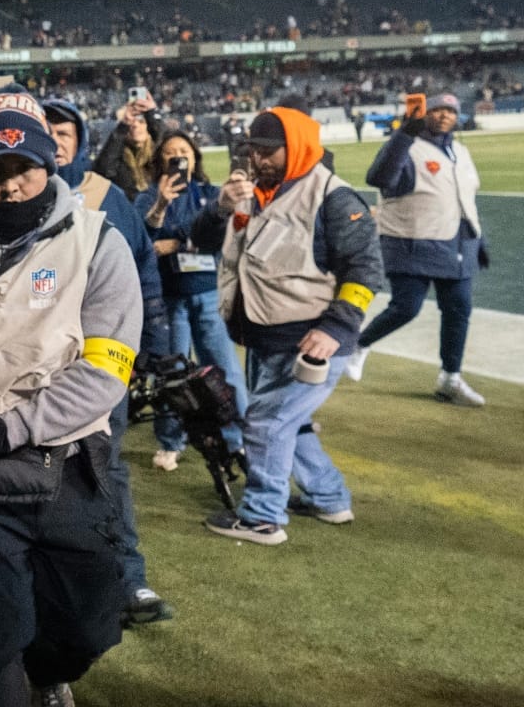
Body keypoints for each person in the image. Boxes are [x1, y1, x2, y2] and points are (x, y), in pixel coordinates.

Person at [0, 87, 143, 707]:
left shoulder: (99, 242)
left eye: (24, 168)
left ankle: (52, 674)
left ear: (51, 164)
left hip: (69, 469)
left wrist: (3, 429)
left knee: (88, 627)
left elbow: (105, 373)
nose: (11, 186)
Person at [191, 108, 384, 544]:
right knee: (287, 423)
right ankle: (329, 498)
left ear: (296, 146)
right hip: (265, 335)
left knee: (265, 423)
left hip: (311, 341)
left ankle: (262, 516)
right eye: (253, 151)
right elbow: (202, 241)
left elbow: (366, 270)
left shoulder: (334, 198)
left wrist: (336, 329)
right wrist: (219, 209)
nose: (258, 160)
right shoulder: (255, 191)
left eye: (267, 151)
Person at [39, 98, 172, 627]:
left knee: (104, 468)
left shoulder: (104, 195)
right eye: (43, 128)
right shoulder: (1, 190)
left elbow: (143, 277)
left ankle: (127, 578)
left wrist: (153, 348)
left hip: (94, 366)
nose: (54, 137)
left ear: (80, 139)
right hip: (24, 365)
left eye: (63, 130)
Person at [356, 94, 488, 406]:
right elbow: (379, 178)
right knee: (406, 307)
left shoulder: (460, 150)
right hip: (412, 241)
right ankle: (358, 345)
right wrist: (404, 133)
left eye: (451, 111)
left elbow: (466, 198)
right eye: (438, 109)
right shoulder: (407, 147)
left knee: (459, 310)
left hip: (457, 244)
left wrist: (479, 239)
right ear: (425, 113)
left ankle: (450, 378)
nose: (444, 116)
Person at [135, 130, 247, 469]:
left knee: (225, 371)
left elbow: (217, 234)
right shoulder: (147, 197)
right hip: (168, 299)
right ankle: (171, 440)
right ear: (160, 160)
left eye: (184, 150)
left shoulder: (210, 193)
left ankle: (238, 439)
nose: (177, 157)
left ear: (195, 157)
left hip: (208, 294)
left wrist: (177, 242)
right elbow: (143, 242)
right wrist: (162, 207)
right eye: (170, 152)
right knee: (171, 377)